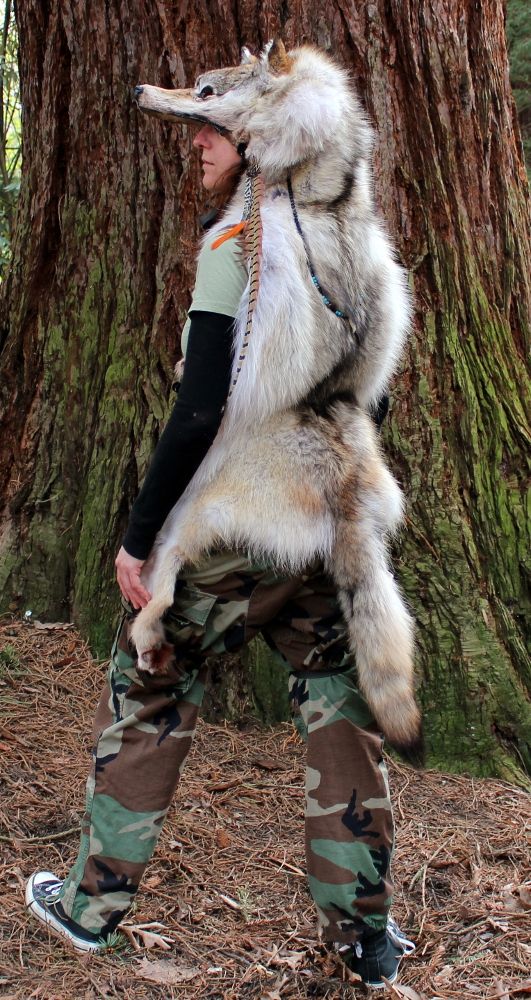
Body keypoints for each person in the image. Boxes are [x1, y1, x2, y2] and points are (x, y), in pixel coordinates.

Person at [26, 53, 416, 990]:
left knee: (150, 685)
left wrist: (140, 537)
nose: (195, 144)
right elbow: (369, 392)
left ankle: (89, 909)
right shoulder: (351, 237)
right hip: (329, 519)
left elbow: (199, 409)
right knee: (342, 709)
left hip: (240, 518)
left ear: (255, 142)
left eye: (209, 129)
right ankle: (366, 941)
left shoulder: (238, 243)